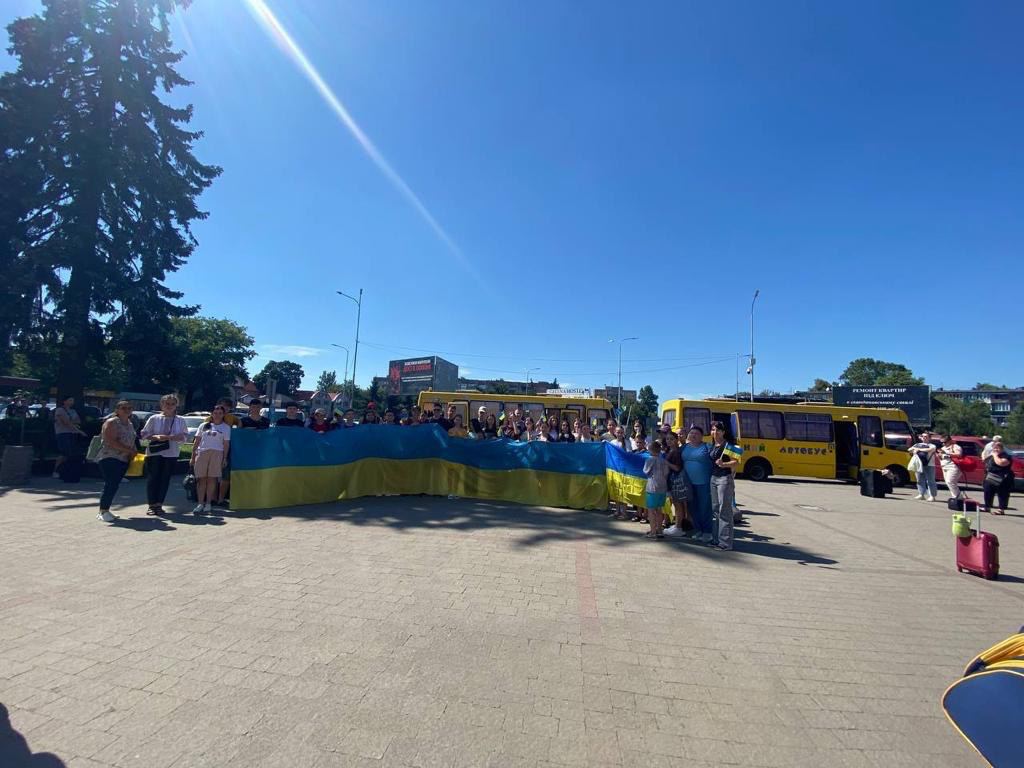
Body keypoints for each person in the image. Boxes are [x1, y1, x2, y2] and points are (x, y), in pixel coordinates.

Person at [141, 394, 188, 516]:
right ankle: (151, 505)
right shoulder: (154, 418)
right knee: (153, 478)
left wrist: (169, 437)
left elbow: (184, 437)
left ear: (176, 405)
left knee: (165, 479)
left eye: (172, 404)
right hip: (155, 452)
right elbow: (144, 433)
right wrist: (156, 437)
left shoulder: (180, 420)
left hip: (171, 453)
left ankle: (159, 504)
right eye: (167, 403)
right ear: (162, 404)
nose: (169, 406)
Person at [95, 401, 137, 522]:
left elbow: (131, 439)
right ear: (117, 410)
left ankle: (106, 509)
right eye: (124, 408)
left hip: (124, 458)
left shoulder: (129, 423)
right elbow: (110, 441)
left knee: (115, 484)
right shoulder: (112, 422)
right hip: (109, 457)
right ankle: (103, 511)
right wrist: (129, 450)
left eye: (129, 408)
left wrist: (133, 451)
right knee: (111, 483)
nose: (127, 410)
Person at [190, 405, 231, 516]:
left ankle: (208, 503)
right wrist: (193, 456)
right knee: (201, 479)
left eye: (220, 413)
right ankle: (200, 503)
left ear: (223, 415)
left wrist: (224, 458)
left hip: (217, 453)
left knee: (212, 479)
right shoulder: (203, 425)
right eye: (215, 413)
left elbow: (226, 444)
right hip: (202, 452)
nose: (217, 415)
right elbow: (197, 441)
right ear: (212, 414)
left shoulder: (226, 428)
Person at [708, 421, 739, 550]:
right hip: (713, 478)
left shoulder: (728, 445)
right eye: (713, 430)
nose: (715, 432)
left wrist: (724, 464)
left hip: (724, 479)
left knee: (724, 510)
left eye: (718, 430)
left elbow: (736, 462)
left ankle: (725, 543)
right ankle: (716, 539)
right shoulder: (713, 445)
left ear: (723, 432)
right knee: (715, 510)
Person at [205, 398, 240, 508]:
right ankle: (213, 498)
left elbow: (239, 423)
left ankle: (221, 499)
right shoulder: (209, 419)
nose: (224, 408)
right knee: (213, 476)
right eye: (222, 405)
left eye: (227, 407)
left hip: (226, 449)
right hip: (212, 449)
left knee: (225, 476)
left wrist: (237, 430)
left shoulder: (232, 418)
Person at [682, 426, 714, 542]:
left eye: (696, 433)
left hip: (703, 483)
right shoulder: (684, 447)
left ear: (702, 436)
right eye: (691, 433)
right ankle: (698, 530)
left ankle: (707, 532)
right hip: (688, 484)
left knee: (704, 508)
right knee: (692, 508)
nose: (693, 435)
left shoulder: (707, 447)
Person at [662, 431, 690, 537]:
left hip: (676, 481)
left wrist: (666, 463)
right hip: (670, 481)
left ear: (676, 440)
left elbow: (677, 468)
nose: (669, 441)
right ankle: (677, 525)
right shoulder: (669, 450)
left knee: (678, 505)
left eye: (671, 439)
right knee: (675, 503)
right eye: (667, 439)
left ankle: (679, 527)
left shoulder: (676, 452)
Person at [52, 395, 87, 478]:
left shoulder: (73, 411)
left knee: (72, 453)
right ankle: (56, 471)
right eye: (70, 400)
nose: (72, 402)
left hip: (73, 434)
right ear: (65, 401)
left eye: (72, 401)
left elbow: (78, 421)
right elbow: (66, 423)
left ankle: (66, 471)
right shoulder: (60, 410)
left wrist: (72, 424)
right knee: (64, 453)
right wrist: (79, 430)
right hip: (63, 433)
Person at [643, 440, 671, 539]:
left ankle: (653, 531)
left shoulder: (649, 459)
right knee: (659, 510)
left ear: (650, 450)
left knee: (651, 510)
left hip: (652, 487)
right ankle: (659, 530)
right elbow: (666, 473)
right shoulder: (663, 460)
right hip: (662, 487)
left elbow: (646, 471)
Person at [983, 441, 1014, 515]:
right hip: (991, 476)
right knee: (988, 491)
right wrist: (985, 453)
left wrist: (995, 455)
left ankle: (1001, 509)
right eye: (994, 448)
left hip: (1003, 478)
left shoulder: (1006, 456)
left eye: (998, 448)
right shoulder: (992, 455)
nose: (996, 449)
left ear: (1002, 449)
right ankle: (987, 507)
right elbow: (985, 460)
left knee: (1002, 493)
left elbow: (1001, 463)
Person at [909, 431, 938, 501]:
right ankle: (921, 494)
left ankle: (932, 496)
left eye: (926, 437)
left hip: (929, 465)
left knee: (930, 481)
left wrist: (918, 449)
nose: (924, 438)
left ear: (929, 438)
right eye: (923, 436)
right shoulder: (917, 444)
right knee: (919, 480)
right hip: (919, 464)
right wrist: (914, 450)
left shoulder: (932, 445)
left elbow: (929, 450)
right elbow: (909, 449)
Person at [939, 435, 964, 501]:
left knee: (950, 481)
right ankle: (956, 497)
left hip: (953, 467)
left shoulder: (955, 447)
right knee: (948, 483)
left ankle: (958, 497)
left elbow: (959, 455)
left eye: (945, 442)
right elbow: (941, 457)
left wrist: (947, 453)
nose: (943, 444)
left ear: (950, 441)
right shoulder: (943, 448)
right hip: (945, 467)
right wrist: (939, 455)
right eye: (942, 442)